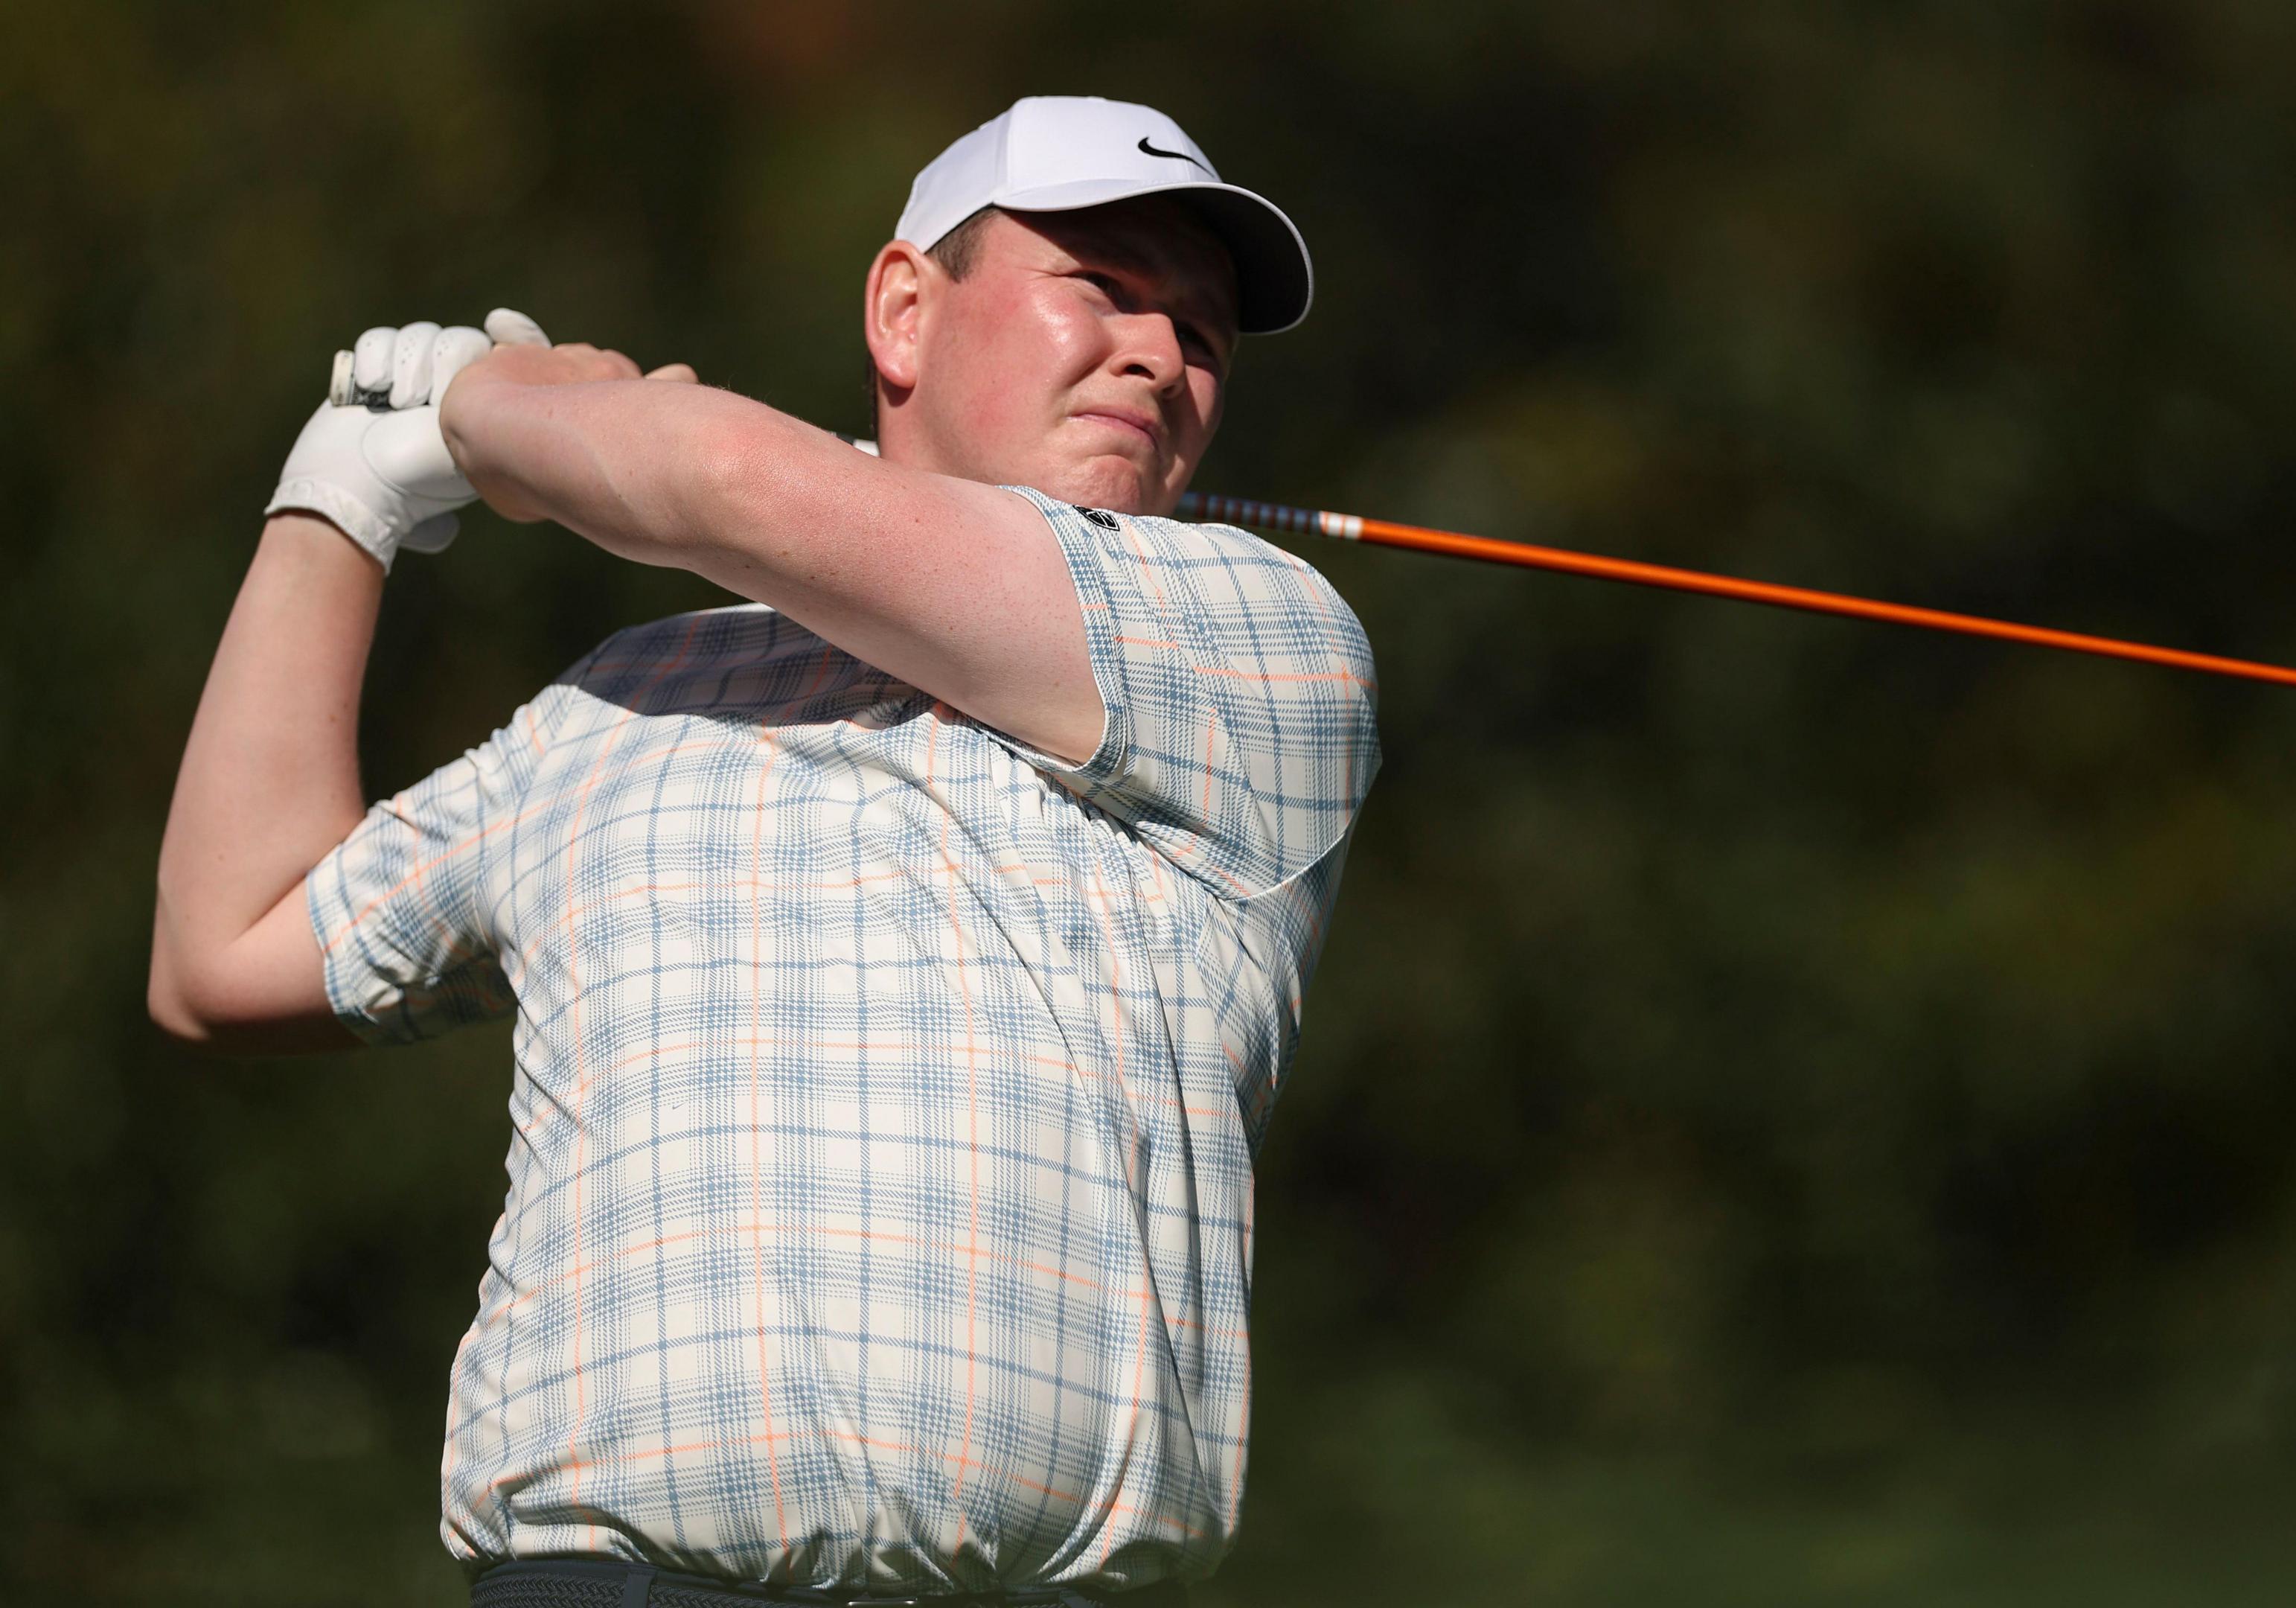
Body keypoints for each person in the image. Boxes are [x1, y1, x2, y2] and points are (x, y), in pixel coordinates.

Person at [147, 96, 1378, 1607]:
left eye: (1202, 338)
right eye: (1106, 289)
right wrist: (341, 496)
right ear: (905, 313)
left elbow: (721, 483)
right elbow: (226, 949)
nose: (1158, 355)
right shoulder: (623, 701)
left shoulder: (1258, 646)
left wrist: (490, 402)